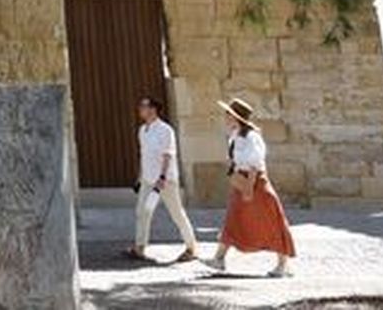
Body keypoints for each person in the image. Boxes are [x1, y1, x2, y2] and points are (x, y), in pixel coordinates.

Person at [204, 97, 296, 277]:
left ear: (237, 117)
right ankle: (219, 258)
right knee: (233, 217)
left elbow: (255, 162)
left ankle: (283, 264)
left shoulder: (251, 137)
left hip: (256, 183)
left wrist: (249, 187)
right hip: (241, 181)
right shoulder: (235, 136)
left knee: (272, 220)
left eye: (229, 114)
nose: (226, 117)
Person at [125, 96, 199, 263]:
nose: (140, 109)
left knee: (176, 213)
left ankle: (191, 247)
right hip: (147, 179)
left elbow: (167, 154)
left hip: (165, 180)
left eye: (143, 106)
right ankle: (140, 247)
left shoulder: (166, 130)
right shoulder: (143, 130)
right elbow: (144, 155)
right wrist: (139, 177)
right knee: (142, 211)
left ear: (153, 109)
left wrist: (163, 176)